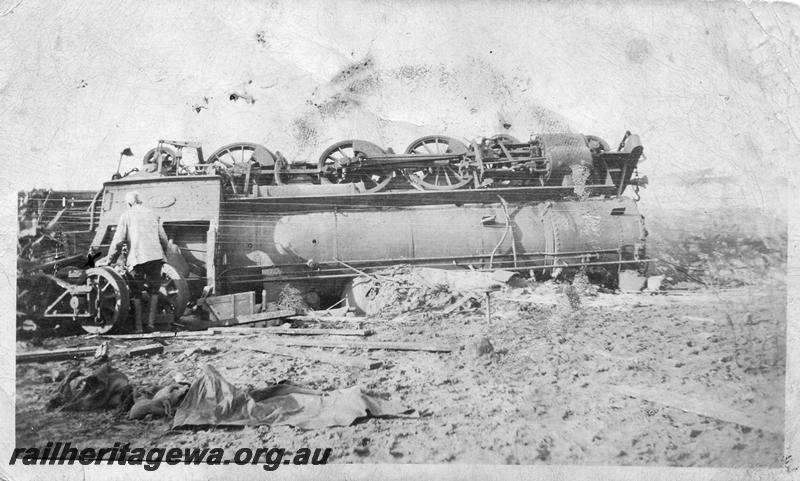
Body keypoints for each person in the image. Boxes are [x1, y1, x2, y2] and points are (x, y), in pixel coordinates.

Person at [104, 191, 170, 333]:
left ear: (129, 203)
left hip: (137, 258)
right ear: (140, 201)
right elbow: (164, 239)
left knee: (136, 292)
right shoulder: (152, 214)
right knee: (154, 290)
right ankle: (151, 325)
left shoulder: (126, 216)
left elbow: (118, 241)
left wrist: (109, 260)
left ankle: (139, 327)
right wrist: (162, 253)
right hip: (155, 258)